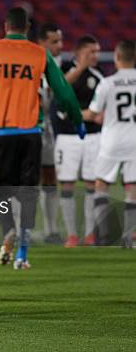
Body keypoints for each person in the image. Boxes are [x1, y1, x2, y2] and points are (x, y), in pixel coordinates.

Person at [0, 7, 84, 269]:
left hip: (0, 134)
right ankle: (23, 253)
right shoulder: (39, 53)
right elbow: (63, 90)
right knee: (29, 193)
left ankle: (8, 229)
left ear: (5, 27)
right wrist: (77, 119)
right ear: (27, 27)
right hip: (31, 133)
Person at [52, 35, 105, 247]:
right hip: (67, 137)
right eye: (91, 51)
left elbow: (100, 112)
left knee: (92, 183)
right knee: (67, 184)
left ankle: (90, 234)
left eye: (97, 52)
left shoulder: (99, 77)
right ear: (79, 53)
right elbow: (60, 89)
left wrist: (89, 115)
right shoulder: (64, 69)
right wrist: (83, 114)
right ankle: (72, 235)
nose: (96, 56)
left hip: (93, 137)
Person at [83, 40, 136, 247]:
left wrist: (75, 113)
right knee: (132, 187)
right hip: (134, 140)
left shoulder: (108, 83)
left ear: (116, 57)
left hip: (112, 140)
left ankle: (104, 236)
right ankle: (129, 237)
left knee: (101, 184)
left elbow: (93, 113)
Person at [36, 23, 64, 244]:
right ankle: (19, 230)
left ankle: (51, 230)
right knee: (25, 180)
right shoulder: (34, 64)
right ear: (41, 43)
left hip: (49, 130)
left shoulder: (59, 65)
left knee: (49, 178)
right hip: (28, 128)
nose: (60, 46)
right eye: (55, 41)